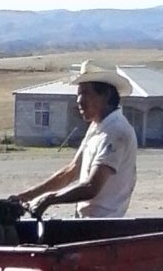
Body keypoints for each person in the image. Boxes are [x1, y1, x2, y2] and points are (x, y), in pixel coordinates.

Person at [14, 60, 138, 219]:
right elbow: (71, 171)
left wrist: (49, 199)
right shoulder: (97, 126)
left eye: (85, 93)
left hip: (103, 226)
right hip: (85, 221)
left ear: (105, 95)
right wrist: (26, 196)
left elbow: (92, 187)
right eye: (79, 93)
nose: (79, 100)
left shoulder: (116, 132)